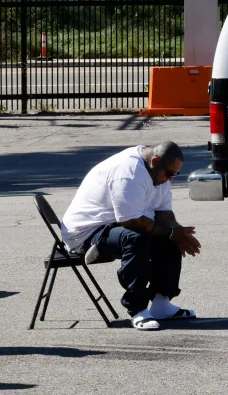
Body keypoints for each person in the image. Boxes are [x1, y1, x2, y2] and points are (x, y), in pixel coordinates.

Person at [60, 141, 202, 330]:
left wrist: (178, 231)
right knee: (136, 238)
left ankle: (162, 304)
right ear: (155, 161)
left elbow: (164, 214)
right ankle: (138, 309)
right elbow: (131, 221)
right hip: (86, 233)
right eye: (169, 174)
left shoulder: (159, 173)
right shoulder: (128, 172)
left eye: (175, 175)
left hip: (115, 225)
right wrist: (171, 232)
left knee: (170, 241)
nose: (170, 180)